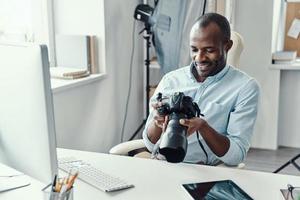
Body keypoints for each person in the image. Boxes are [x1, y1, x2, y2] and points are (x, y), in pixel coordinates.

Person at [142, 13, 260, 166]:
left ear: (227, 46)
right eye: (194, 50)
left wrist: (203, 127)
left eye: (209, 50)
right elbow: (149, 144)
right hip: (162, 164)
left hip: (206, 171)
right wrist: (157, 122)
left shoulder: (245, 87)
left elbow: (236, 155)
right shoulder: (171, 80)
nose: (199, 58)